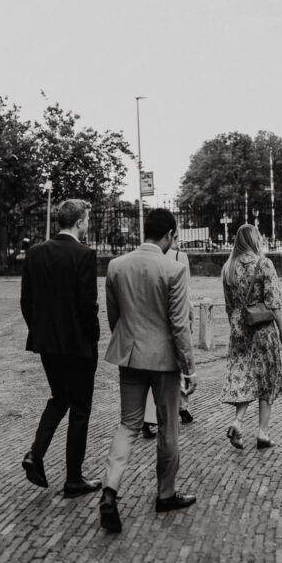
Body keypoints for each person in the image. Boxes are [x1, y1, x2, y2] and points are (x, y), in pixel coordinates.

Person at [98, 208, 197, 534]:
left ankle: (110, 490)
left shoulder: (116, 266)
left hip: (130, 355)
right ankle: (165, 493)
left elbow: (115, 317)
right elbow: (179, 325)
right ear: (169, 235)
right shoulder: (174, 269)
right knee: (168, 426)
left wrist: (128, 344)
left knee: (128, 424)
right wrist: (189, 368)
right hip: (164, 360)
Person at [19, 199, 101, 497]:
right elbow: (86, 305)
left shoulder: (35, 253)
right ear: (80, 222)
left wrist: (41, 331)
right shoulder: (84, 255)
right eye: (87, 220)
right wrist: (93, 336)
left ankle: (35, 454)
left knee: (59, 398)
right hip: (78, 345)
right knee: (80, 409)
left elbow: (26, 302)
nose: (88, 225)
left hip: (47, 344)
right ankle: (74, 478)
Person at [220, 224, 282, 450]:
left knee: (244, 375)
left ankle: (238, 421)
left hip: (239, 329)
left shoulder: (228, 267)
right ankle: (262, 433)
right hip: (262, 329)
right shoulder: (264, 264)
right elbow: (274, 302)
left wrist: (235, 325)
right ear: (255, 239)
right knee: (266, 380)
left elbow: (229, 305)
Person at [142, 241, 195, 439]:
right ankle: (171, 410)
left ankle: (179, 407)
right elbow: (185, 291)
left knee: (155, 367)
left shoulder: (145, 257)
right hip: (174, 317)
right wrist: (189, 316)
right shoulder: (179, 257)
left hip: (151, 318)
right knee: (176, 364)